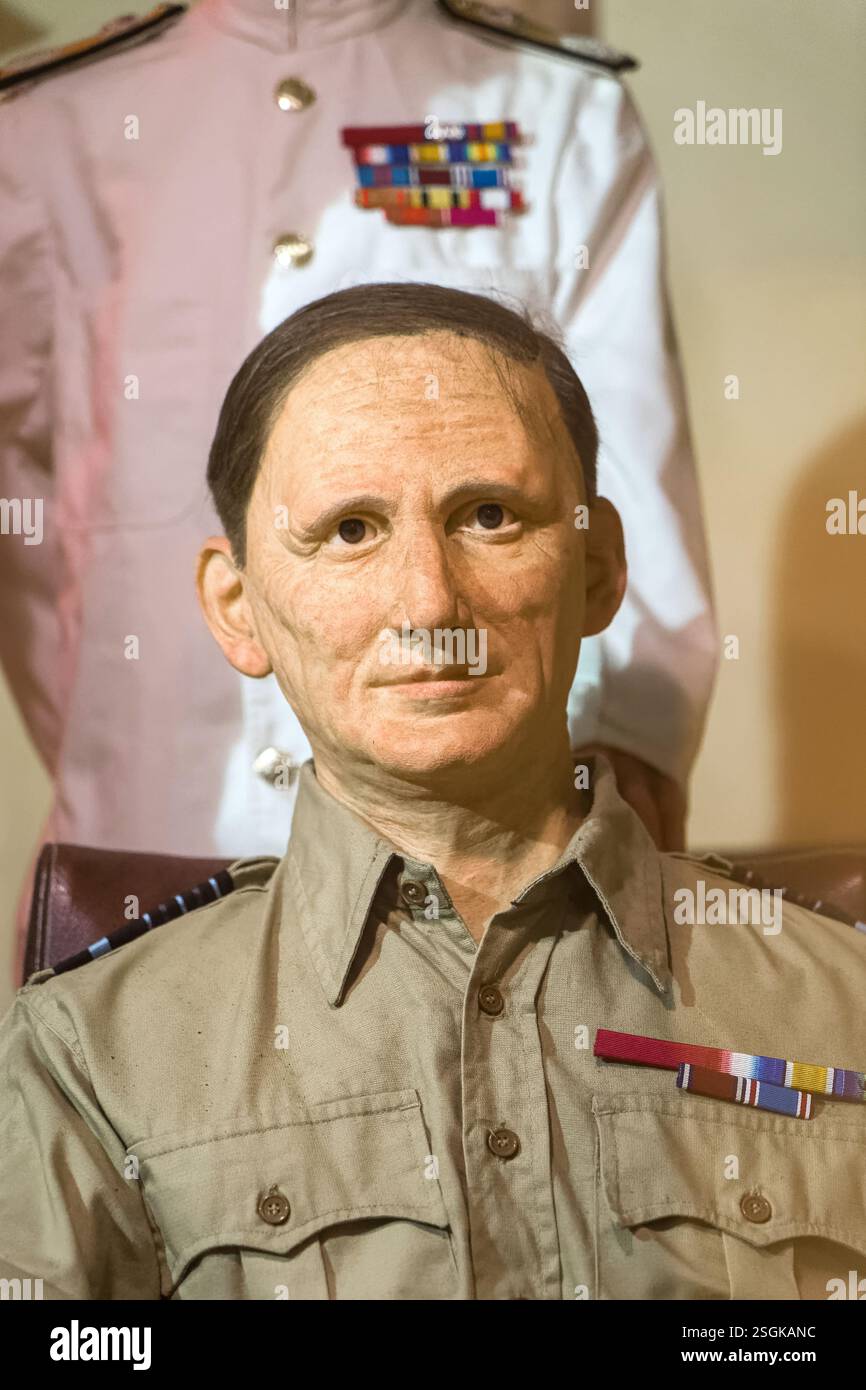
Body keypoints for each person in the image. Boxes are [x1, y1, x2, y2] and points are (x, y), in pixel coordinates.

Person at [0, 284, 861, 1301]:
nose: (428, 603)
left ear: (595, 570)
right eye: (351, 529)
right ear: (239, 609)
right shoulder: (82, 1057)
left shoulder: (840, 1009)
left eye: (489, 515)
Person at [0, 0, 716, 920]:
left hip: (482, 842)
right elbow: (28, 528)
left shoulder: (553, 105)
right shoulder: (48, 125)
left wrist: (617, 748)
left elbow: (623, 470)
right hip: (151, 819)